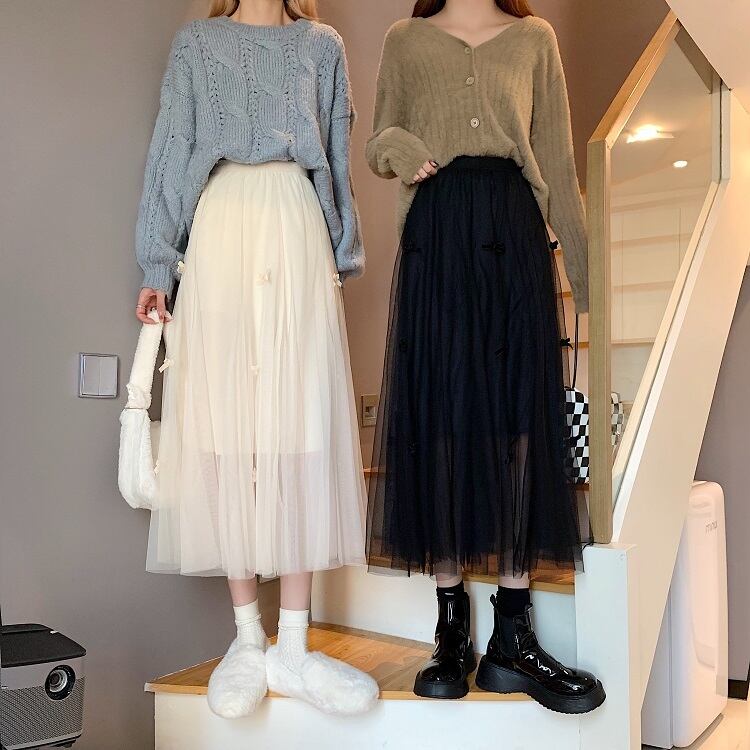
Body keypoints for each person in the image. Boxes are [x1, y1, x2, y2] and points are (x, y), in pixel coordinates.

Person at [133, 0, 377, 719]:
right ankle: (247, 638)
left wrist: (339, 251)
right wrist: (157, 264)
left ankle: (293, 646)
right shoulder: (197, 44)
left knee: (301, 433)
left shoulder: (321, 44)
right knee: (224, 430)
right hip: (221, 226)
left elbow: (336, 153)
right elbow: (171, 147)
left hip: (295, 227)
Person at [365, 0, 605, 713]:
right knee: (441, 419)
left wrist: (588, 285)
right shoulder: (405, 40)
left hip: (514, 230)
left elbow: (557, 161)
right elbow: (378, 140)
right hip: (437, 233)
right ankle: (451, 628)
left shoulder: (535, 39)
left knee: (519, 425)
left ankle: (513, 637)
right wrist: (402, 149)